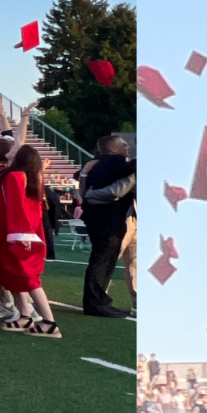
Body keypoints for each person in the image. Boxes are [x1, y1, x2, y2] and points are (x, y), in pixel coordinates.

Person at [0, 145, 61, 337]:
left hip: (18, 233)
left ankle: (49, 322)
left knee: (29, 278)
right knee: (14, 276)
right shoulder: (30, 176)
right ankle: (24, 315)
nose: (11, 148)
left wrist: (19, 232)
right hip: (27, 232)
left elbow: (16, 206)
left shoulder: (14, 177)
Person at [79, 135, 136, 317]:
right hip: (107, 220)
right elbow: (117, 190)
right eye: (123, 144)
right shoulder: (112, 161)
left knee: (105, 260)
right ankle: (95, 303)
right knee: (102, 261)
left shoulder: (97, 164)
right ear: (112, 149)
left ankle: (99, 300)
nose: (127, 146)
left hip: (104, 219)